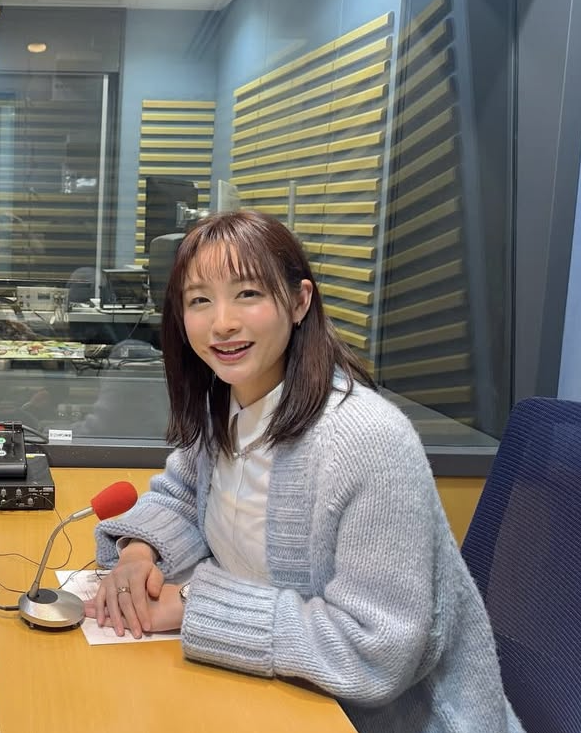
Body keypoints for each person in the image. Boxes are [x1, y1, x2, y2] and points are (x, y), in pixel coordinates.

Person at [87, 211, 522, 733]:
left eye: (248, 294)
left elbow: (376, 651)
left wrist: (192, 602)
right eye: (200, 300)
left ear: (299, 302)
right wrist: (138, 555)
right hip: (273, 695)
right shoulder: (223, 402)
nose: (222, 322)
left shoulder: (367, 440)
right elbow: (182, 493)